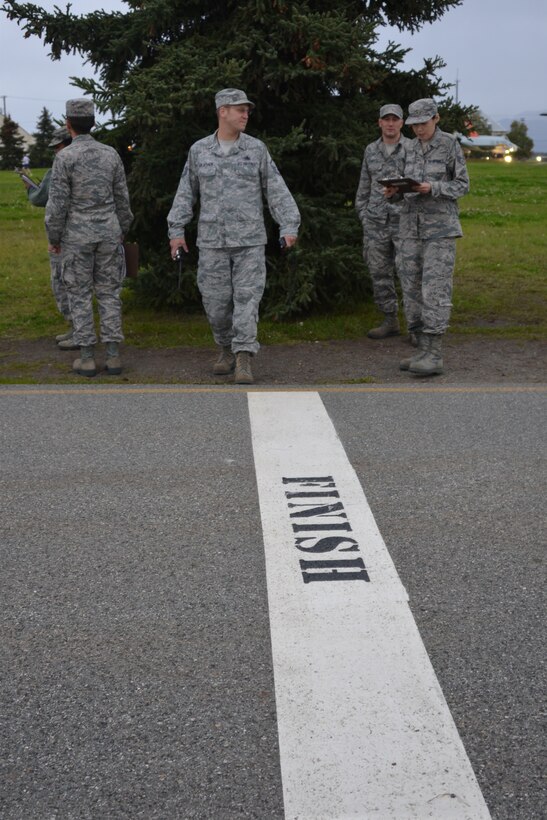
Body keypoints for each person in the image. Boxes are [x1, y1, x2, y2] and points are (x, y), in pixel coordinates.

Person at [167, 88, 301, 384]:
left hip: (249, 241)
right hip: (212, 242)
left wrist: (288, 225)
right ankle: (225, 349)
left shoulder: (255, 149)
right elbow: (186, 192)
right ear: (222, 111)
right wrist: (176, 230)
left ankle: (243, 358)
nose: (245, 114)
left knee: (246, 300)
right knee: (215, 304)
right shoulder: (199, 150)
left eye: (247, 110)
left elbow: (275, 188)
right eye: (240, 109)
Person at [45, 98, 133, 377]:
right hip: (109, 233)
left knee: (79, 293)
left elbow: (57, 204)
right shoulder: (111, 154)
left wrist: (54, 236)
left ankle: (86, 357)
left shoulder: (65, 157)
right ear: (92, 123)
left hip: (77, 237)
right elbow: (122, 199)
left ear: (69, 124)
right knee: (110, 293)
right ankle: (113, 355)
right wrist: (123, 229)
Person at [385, 98, 469, 376]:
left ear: (436, 118)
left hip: (439, 231)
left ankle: (434, 353)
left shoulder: (449, 146)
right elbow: (402, 182)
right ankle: (421, 348)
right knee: (410, 288)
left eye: (423, 123)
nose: (418, 129)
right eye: (414, 125)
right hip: (409, 229)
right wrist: (395, 192)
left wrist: (431, 187)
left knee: (434, 290)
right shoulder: (408, 148)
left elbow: (462, 185)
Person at [355, 104, 412, 340]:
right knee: (379, 273)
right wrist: (363, 214)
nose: (390, 123)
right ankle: (390, 320)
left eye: (395, 119)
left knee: (409, 273)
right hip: (375, 222)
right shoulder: (371, 150)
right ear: (379, 122)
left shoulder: (412, 148)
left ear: (401, 123)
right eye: (386, 119)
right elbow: (364, 186)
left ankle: (416, 326)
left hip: (404, 222)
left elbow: (417, 184)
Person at [21, 127, 77, 349]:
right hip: (93, 235)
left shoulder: (58, 169)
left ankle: (78, 331)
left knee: (63, 285)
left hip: (65, 238)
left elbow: (42, 199)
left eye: (57, 147)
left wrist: (29, 189)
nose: (55, 151)